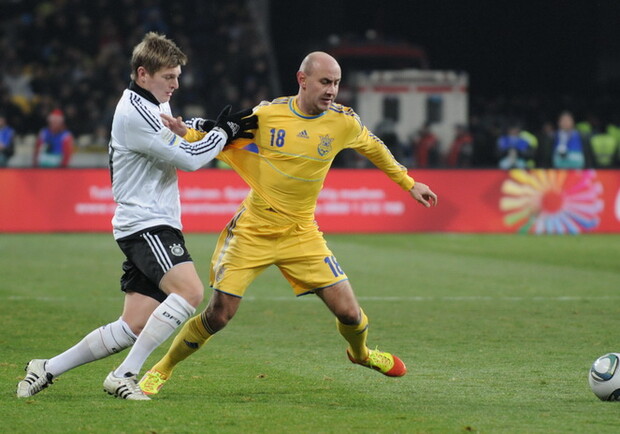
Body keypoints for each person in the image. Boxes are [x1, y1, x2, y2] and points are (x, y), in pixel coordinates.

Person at [138, 51, 438, 396]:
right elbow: (224, 134)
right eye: (325, 82)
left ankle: (361, 354)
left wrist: (408, 183)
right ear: (302, 80)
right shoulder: (269, 115)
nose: (332, 90)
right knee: (219, 315)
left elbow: (375, 148)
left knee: (350, 314)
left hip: (301, 233)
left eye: (336, 83)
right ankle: (162, 369)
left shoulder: (343, 122)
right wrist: (187, 132)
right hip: (253, 231)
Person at [16, 32, 257, 400]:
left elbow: (177, 128)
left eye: (177, 76)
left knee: (132, 325)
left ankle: (46, 367)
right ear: (143, 74)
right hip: (146, 223)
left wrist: (206, 126)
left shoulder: (151, 103)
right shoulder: (134, 114)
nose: (176, 85)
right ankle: (124, 374)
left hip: (151, 221)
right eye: (169, 77)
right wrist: (224, 132)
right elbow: (191, 159)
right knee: (190, 291)